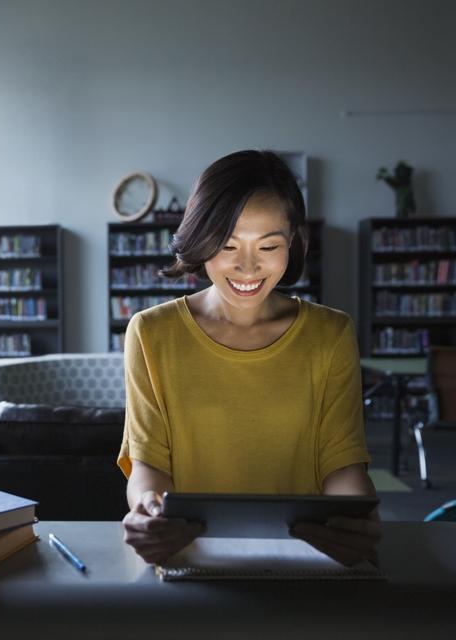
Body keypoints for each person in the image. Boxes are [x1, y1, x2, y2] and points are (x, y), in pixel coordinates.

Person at [117, 150, 381, 566]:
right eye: (227, 244)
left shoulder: (330, 334)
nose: (247, 267)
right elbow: (148, 463)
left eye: (269, 245)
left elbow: (342, 464)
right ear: (202, 240)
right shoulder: (152, 334)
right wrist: (147, 510)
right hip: (190, 555)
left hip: (307, 557)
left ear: (292, 242)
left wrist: (356, 517)